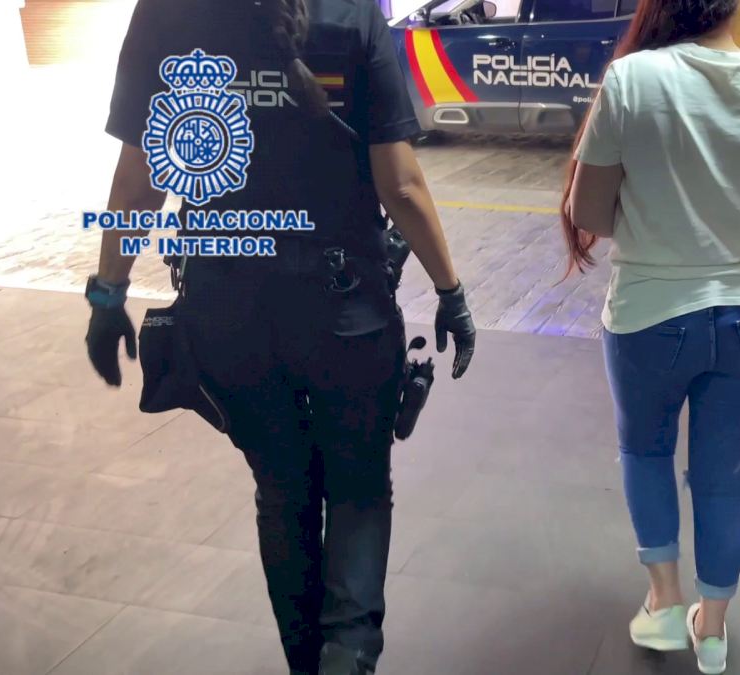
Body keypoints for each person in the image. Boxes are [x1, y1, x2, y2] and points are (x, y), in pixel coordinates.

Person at [84, 1, 476, 673]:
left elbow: (140, 179)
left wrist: (107, 294)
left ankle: (306, 663)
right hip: (346, 308)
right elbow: (402, 184)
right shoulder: (351, 13)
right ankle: (347, 653)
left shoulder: (167, 14)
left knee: (282, 489)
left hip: (227, 312)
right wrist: (451, 292)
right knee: (357, 487)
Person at [561, 1, 740, 672]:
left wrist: (661, 217)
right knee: (723, 476)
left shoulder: (632, 81)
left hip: (651, 312)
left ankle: (664, 604)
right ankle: (712, 631)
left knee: (645, 451)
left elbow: (587, 209)